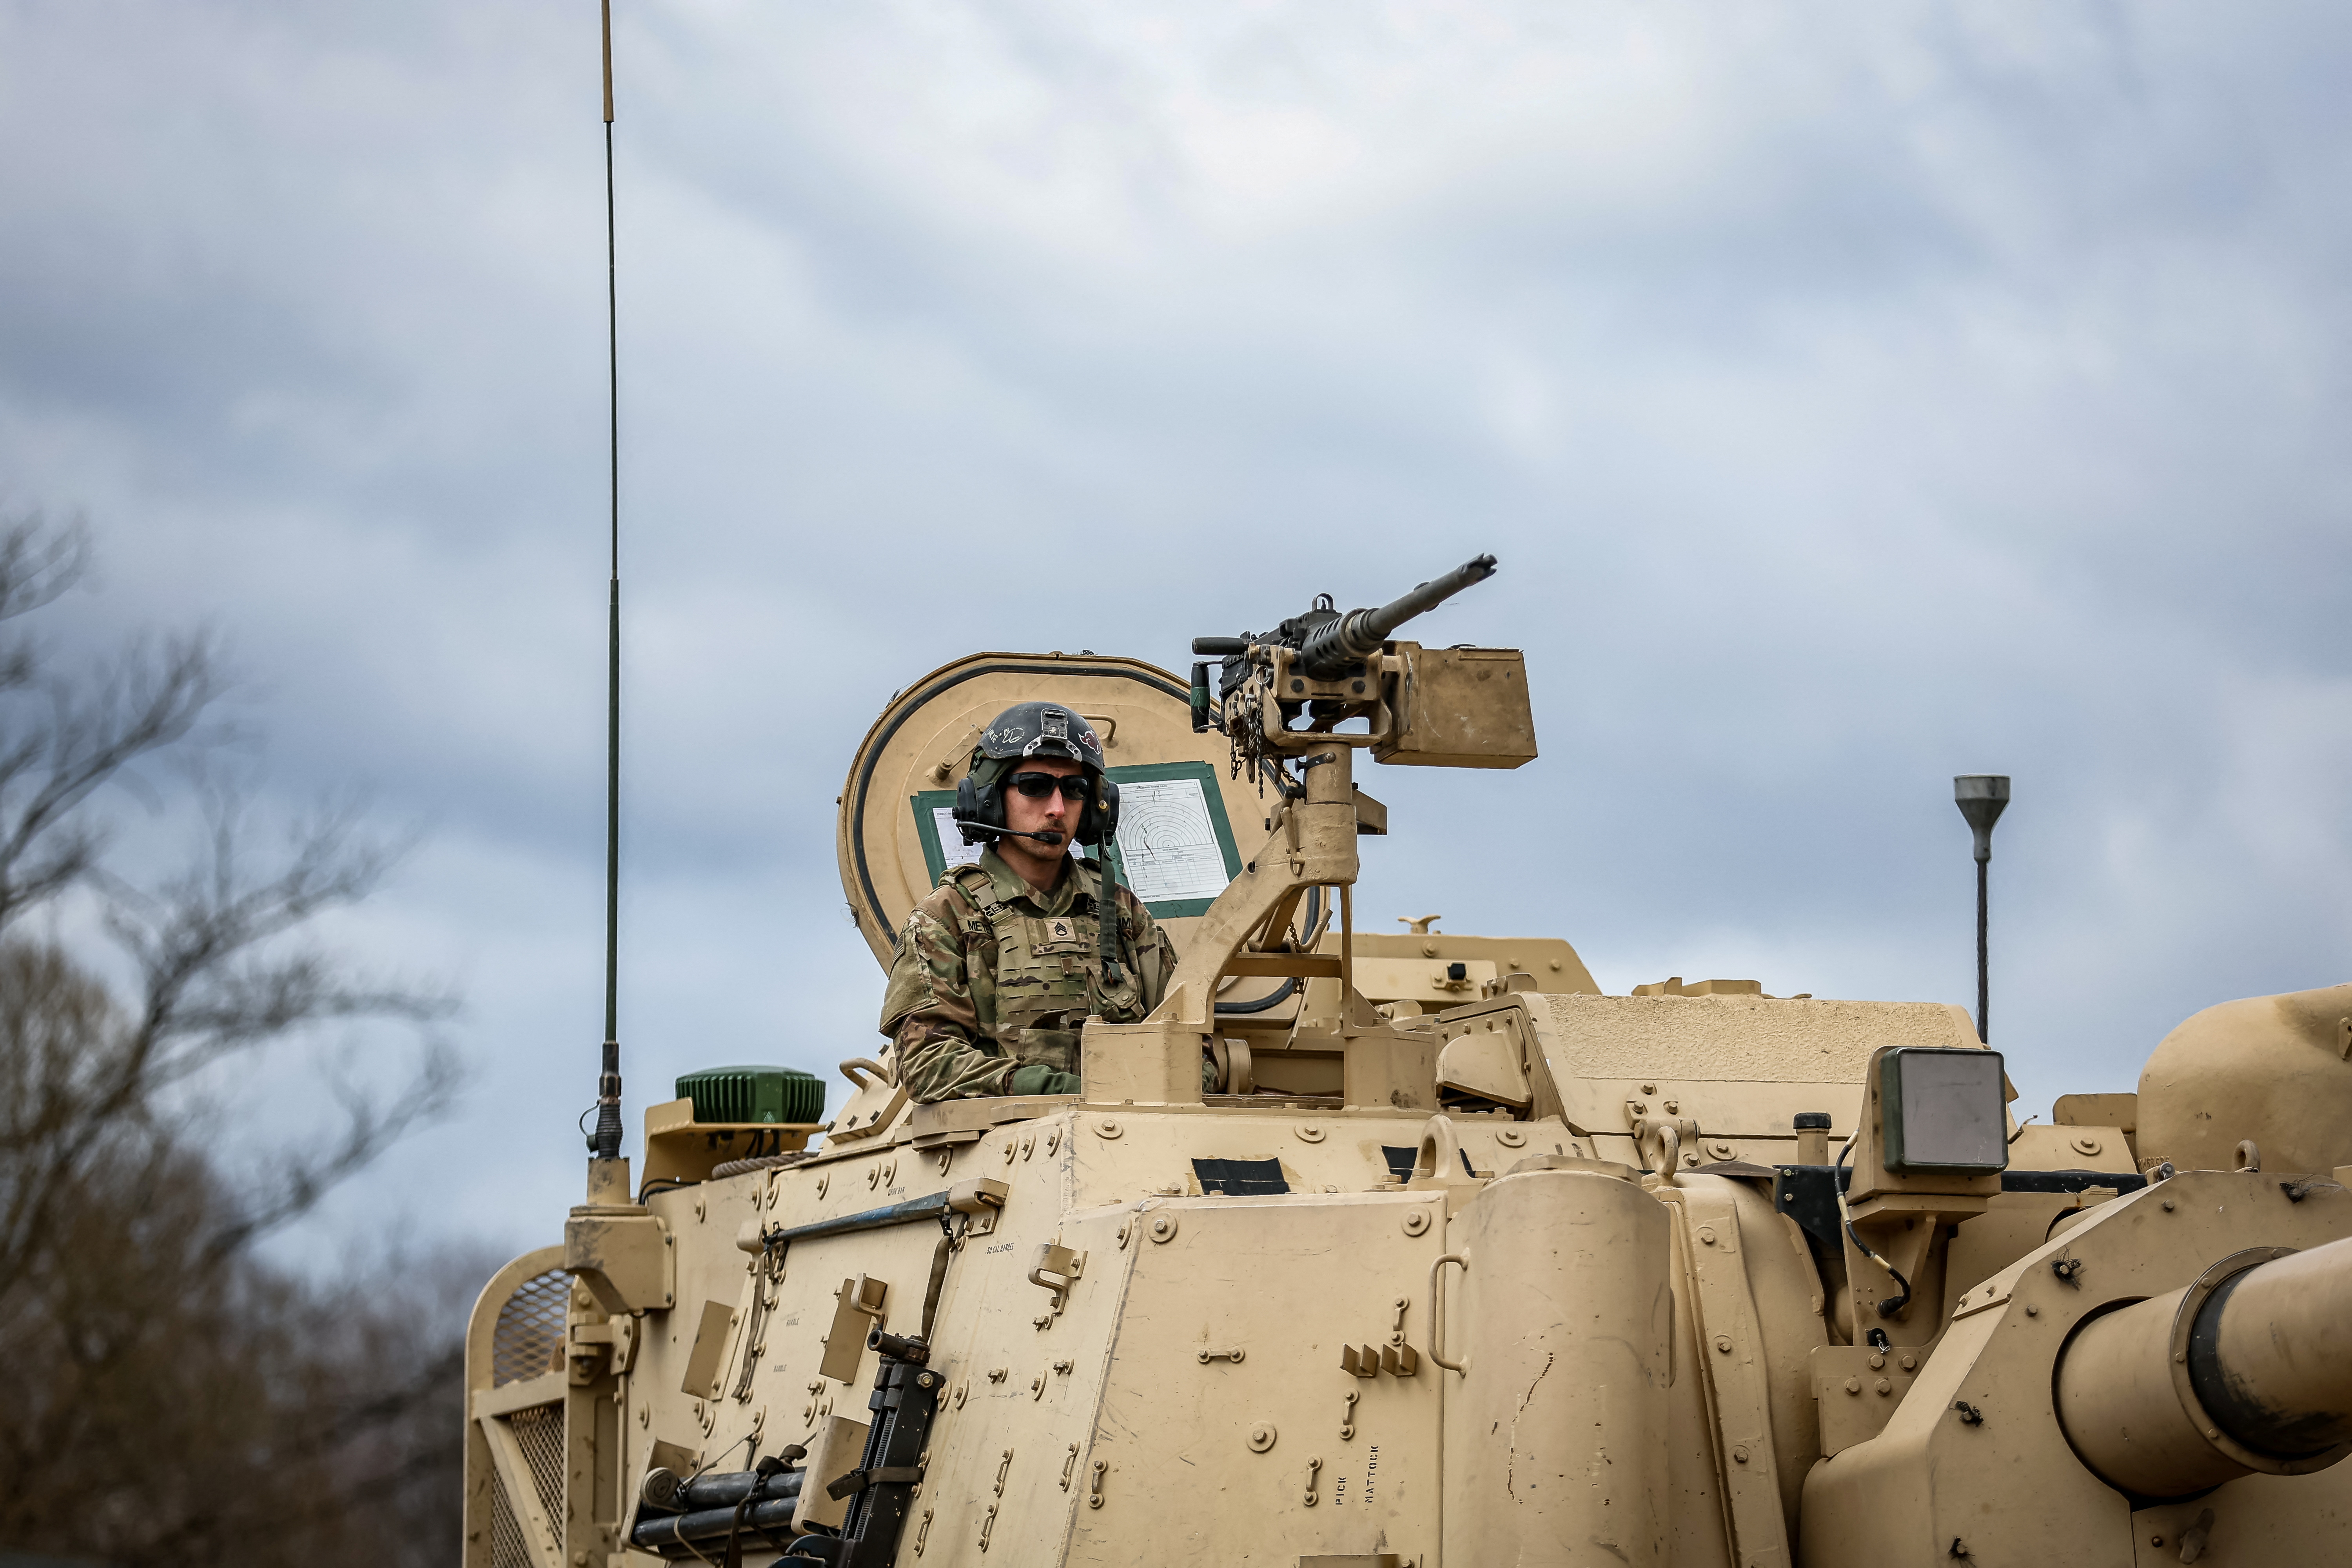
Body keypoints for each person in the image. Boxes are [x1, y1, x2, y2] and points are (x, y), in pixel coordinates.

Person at [881, 701, 1189, 1103]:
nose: (1058, 808)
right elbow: (929, 1065)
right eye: (1035, 786)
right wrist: (1065, 1092)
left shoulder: (1120, 912)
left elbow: (1189, 1036)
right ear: (989, 798)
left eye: (1075, 790)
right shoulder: (945, 919)